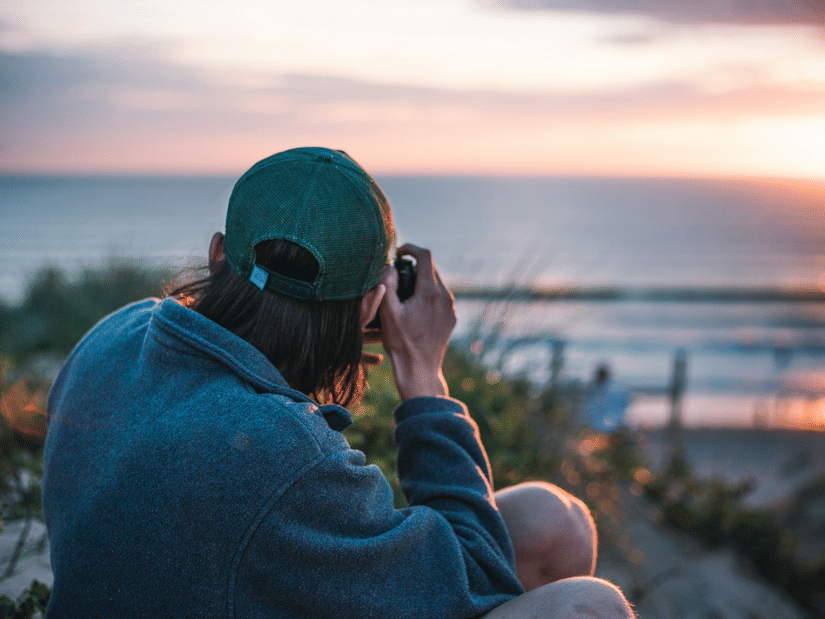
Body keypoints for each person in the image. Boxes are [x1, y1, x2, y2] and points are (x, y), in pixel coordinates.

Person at [42, 148, 633, 618]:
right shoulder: (278, 452)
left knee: (553, 521)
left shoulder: (118, 332)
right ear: (373, 303)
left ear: (220, 254)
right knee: (593, 608)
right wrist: (424, 373)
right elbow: (476, 577)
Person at [582, 364, 631, 433]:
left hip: (599, 427)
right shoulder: (618, 388)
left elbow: (588, 409)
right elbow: (626, 402)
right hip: (615, 426)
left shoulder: (593, 389)